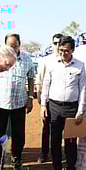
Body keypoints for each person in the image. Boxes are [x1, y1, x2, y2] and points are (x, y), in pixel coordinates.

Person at [40, 36, 86, 170]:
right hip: (54, 107)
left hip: (72, 108)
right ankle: (56, 169)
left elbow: (83, 89)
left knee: (71, 142)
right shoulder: (52, 64)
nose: (63, 53)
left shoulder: (80, 66)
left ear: (72, 50)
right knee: (54, 140)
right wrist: (43, 105)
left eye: (66, 51)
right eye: (61, 50)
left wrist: (80, 110)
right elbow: (46, 85)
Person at [0, 34, 35, 170]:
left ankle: (18, 163)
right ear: (5, 45)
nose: (13, 49)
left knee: (18, 136)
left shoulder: (27, 59)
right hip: (1, 103)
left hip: (19, 104)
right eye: (10, 46)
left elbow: (31, 78)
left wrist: (30, 98)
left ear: (19, 45)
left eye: (15, 46)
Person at [36, 33, 62, 163]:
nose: (57, 46)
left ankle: (60, 154)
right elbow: (40, 81)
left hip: (64, 102)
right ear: (52, 44)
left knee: (63, 129)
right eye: (55, 43)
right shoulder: (46, 60)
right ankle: (44, 153)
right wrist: (42, 102)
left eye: (60, 43)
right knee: (47, 128)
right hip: (49, 101)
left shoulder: (69, 59)